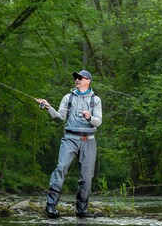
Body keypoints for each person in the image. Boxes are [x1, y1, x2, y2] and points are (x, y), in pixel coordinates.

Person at [36, 70, 102, 218]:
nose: (76, 80)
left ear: (88, 81)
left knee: (86, 178)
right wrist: (47, 107)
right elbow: (59, 117)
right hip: (70, 139)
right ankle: (51, 207)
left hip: (89, 140)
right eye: (75, 78)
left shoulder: (95, 100)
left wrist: (89, 117)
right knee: (60, 169)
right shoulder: (68, 98)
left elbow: (99, 121)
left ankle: (82, 211)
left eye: (80, 78)